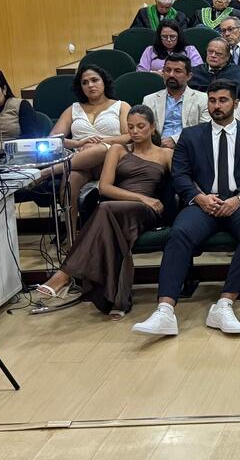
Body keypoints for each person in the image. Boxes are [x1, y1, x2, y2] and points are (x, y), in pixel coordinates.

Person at [132, 80, 240, 336]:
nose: (217, 106)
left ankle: (225, 303)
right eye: (212, 100)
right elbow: (180, 175)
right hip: (203, 203)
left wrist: (239, 198)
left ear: (235, 103)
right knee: (180, 233)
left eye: (223, 100)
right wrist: (199, 197)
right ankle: (165, 309)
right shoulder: (191, 135)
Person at [34, 105, 171, 319]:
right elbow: (104, 188)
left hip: (148, 210)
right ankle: (119, 301)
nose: (135, 131)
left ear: (153, 128)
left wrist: (146, 199)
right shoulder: (117, 150)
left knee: (105, 209)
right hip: (120, 207)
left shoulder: (165, 154)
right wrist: (139, 197)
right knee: (109, 216)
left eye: (141, 126)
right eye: (130, 127)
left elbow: (179, 184)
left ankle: (65, 274)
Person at [43, 65, 131, 238]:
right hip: (81, 163)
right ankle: (71, 239)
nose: (90, 85)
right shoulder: (73, 109)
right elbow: (53, 139)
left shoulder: (121, 106)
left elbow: (129, 136)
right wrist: (78, 142)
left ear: (104, 82)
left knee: (100, 150)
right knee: (70, 180)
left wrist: (102, 141)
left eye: (94, 80)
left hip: (111, 158)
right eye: (85, 82)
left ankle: (48, 172)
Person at [141, 54, 209, 149]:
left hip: (190, 147)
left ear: (189, 76)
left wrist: (175, 140)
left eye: (177, 71)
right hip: (157, 149)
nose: (171, 75)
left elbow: (204, 129)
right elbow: (143, 129)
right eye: (168, 70)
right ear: (163, 73)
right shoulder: (149, 100)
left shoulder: (203, 99)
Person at [137, 19, 203, 73]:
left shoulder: (190, 50)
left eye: (172, 36)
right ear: (159, 37)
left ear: (179, 36)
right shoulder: (150, 50)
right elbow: (140, 72)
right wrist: (154, 73)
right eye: (164, 36)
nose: (168, 40)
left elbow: (198, 72)